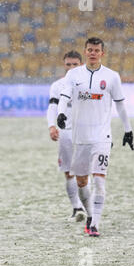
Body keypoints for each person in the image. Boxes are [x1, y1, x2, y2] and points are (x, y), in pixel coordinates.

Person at [57, 37, 134, 237]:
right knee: (82, 182)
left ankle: (95, 225)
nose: (92, 53)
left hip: (102, 136)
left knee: (99, 181)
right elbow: (64, 96)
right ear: (85, 52)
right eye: (89, 49)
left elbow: (120, 104)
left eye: (96, 50)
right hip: (80, 138)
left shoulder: (111, 76)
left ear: (102, 53)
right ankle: (90, 214)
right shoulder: (73, 74)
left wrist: (128, 129)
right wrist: (61, 113)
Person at [47, 50, 86, 222]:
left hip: (85, 132)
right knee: (69, 173)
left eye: (75, 64)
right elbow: (52, 107)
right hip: (66, 133)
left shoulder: (87, 84)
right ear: (64, 65)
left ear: (81, 64)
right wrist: (51, 126)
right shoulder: (57, 85)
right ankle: (77, 208)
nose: (71, 67)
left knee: (84, 172)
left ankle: (87, 207)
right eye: (68, 64)